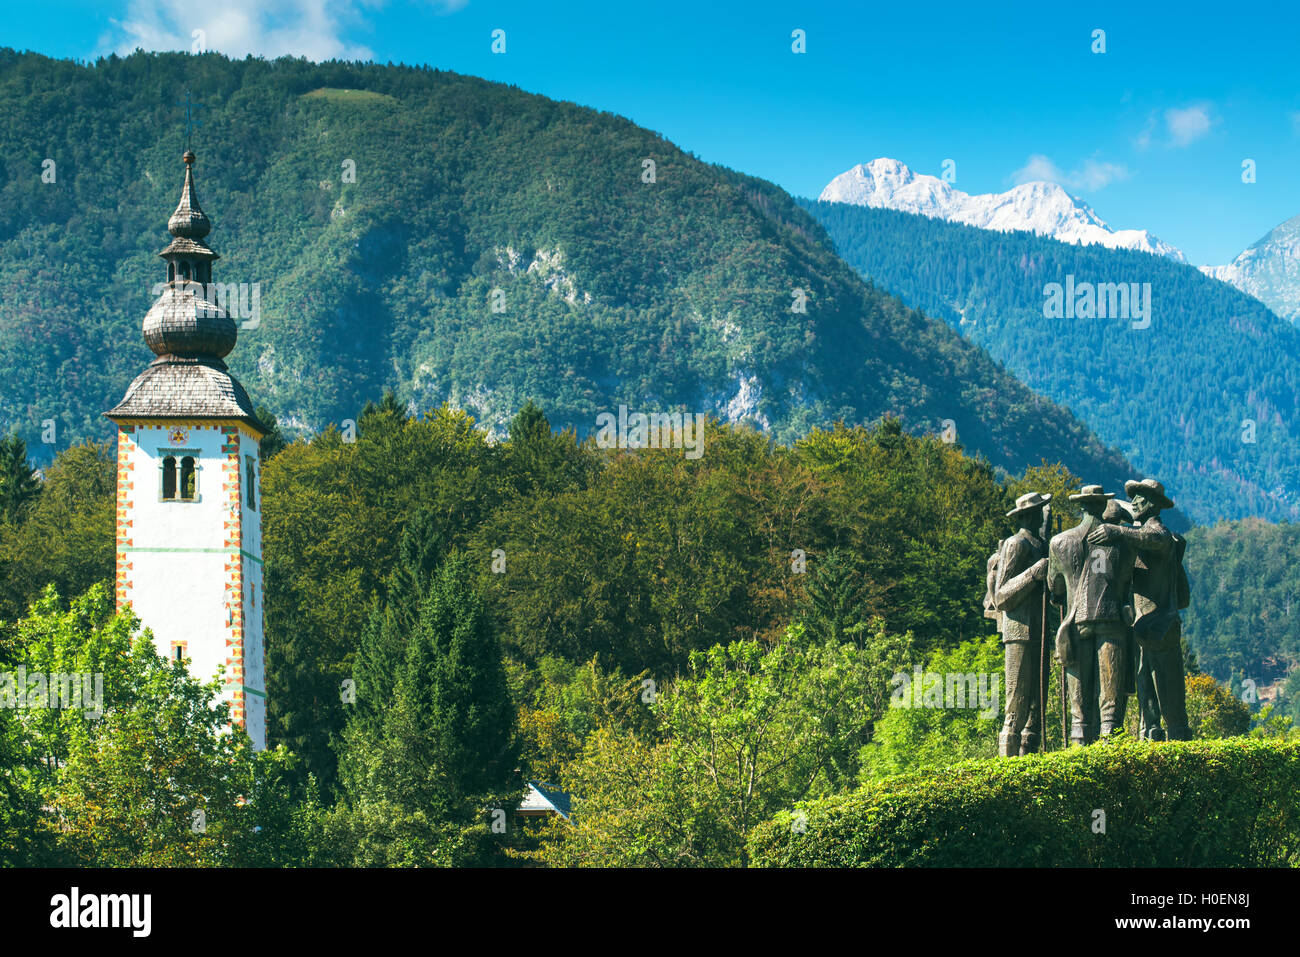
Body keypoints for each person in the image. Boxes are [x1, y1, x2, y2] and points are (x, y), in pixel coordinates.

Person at [1087, 479, 1189, 741]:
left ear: (1152, 504)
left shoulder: (1160, 534)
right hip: (1145, 630)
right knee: (1148, 699)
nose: (1133, 503)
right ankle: (1152, 742)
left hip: (1162, 627)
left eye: (1139, 498)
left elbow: (1153, 537)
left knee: (1171, 701)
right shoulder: (1140, 540)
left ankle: (1182, 751)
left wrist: (1118, 531)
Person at [1047, 485, 1136, 744]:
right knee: (1110, 708)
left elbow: (1055, 589)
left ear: (1081, 506)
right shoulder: (1122, 540)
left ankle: (1079, 756)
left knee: (1080, 712)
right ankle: (1111, 755)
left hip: (1075, 624)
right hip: (1112, 623)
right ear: (1103, 505)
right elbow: (1128, 577)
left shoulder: (1060, 542)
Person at [991, 492, 1051, 756]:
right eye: (1038, 510)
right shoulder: (1016, 544)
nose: (1041, 514)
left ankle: (1029, 761)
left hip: (1039, 629)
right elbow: (1001, 595)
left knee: (1037, 706)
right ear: (1028, 515)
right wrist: (1033, 573)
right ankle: (1009, 762)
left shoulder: (1040, 545)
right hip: (1019, 631)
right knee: (1016, 703)